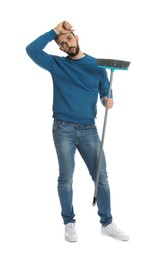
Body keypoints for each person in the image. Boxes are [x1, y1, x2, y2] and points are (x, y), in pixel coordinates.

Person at [26, 21, 129, 242]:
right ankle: (69, 223)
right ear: (60, 48)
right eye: (62, 43)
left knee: (101, 177)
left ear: (76, 37)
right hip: (63, 128)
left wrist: (107, 100)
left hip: (89, 129)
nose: (67, 44)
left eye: (69, 39)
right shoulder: (56, 64)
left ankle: (107, 223)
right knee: (66, 178)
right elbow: (31, 50)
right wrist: (54, 31)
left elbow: (103, 91)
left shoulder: (97, 66)